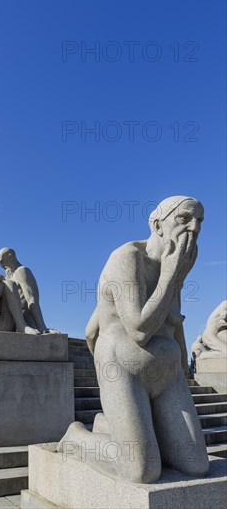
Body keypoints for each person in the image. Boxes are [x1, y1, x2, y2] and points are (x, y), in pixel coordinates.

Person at [58, 196, 209, 483]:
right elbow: (139, 330)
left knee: (196, 465)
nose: (195, 228)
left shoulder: (174, 262)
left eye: (200, 220)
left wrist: (184, 369)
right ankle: (77, 437)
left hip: (166, 372)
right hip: (124, 367)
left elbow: (171, 317)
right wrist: (109, 364)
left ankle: (111, 426)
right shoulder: (126, 257)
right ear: (157, 224)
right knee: (141, 469)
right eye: (184, 218)